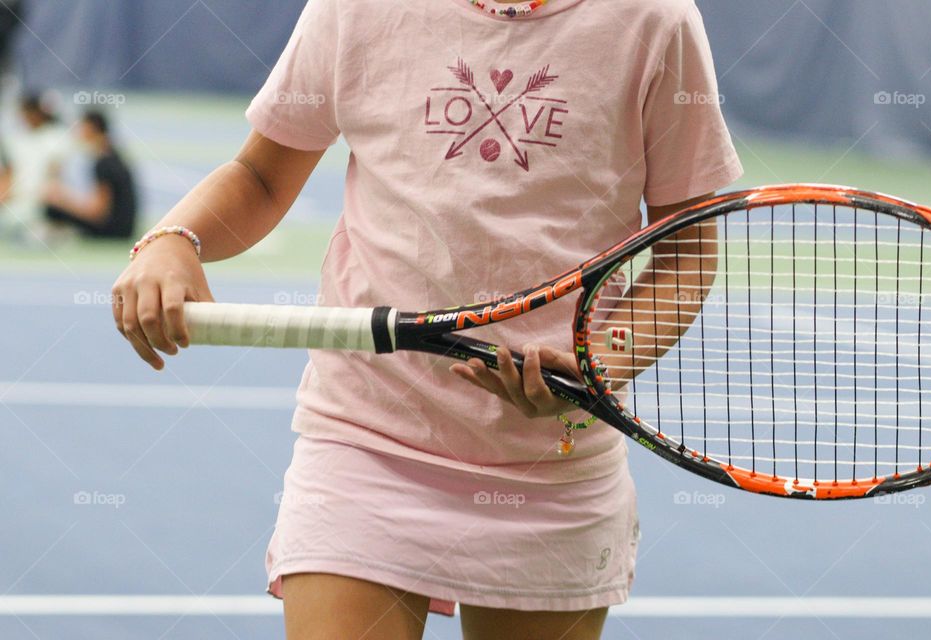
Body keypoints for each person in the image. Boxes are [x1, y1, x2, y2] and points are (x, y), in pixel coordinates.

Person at [111, 1, 742, 638]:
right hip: (365, 443)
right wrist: (173, 237)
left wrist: (596, 360)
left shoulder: (656, 19)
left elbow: (686, 253)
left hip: (552, 468)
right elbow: (260, 176)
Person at [43, 109, 138, 239]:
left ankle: (54, 235)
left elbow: (98, 212)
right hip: (123, 228)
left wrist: (62, 199)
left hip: (114, 231)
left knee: (52, 208)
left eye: (81, 128)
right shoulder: (113, 155)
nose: (77, 133)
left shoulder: (104, 162)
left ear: (91, 128)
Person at [0, 93, 69, 240]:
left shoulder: (56, 137)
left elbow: (56, 177)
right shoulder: (17, 140)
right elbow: (8, 176)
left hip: (41, 205)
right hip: (17, 203)